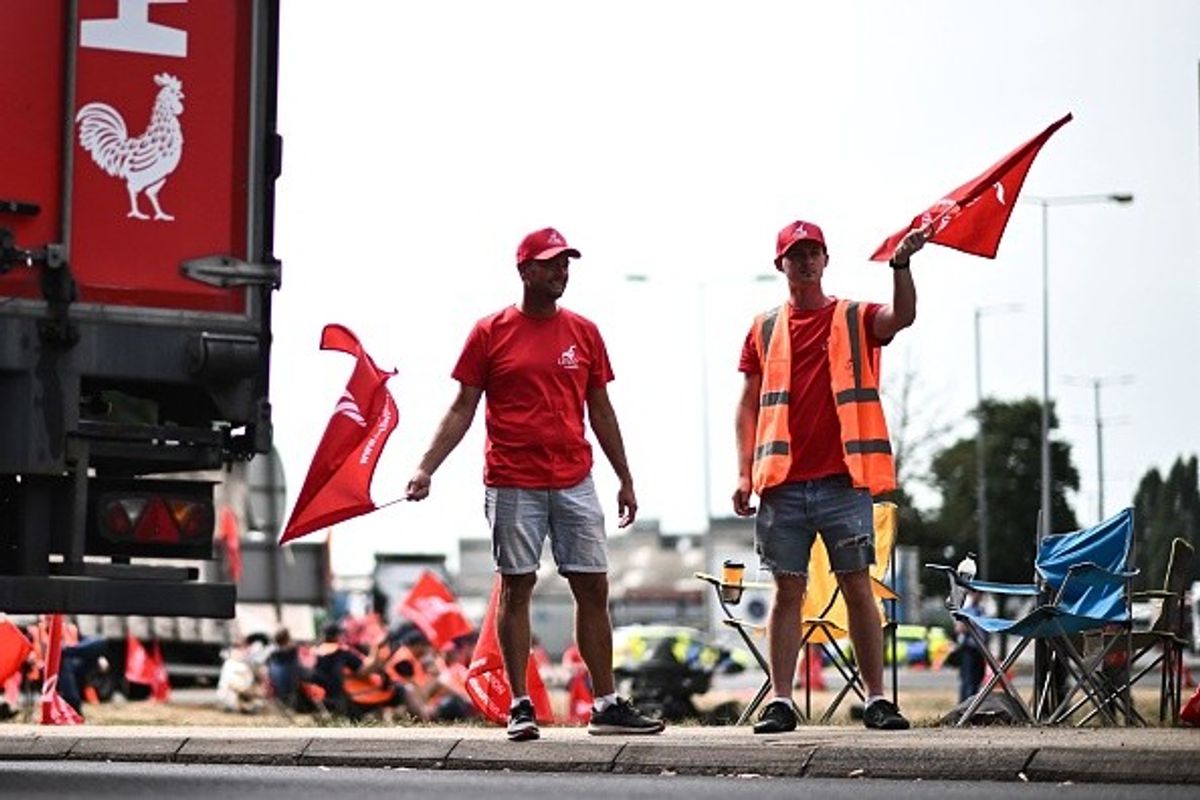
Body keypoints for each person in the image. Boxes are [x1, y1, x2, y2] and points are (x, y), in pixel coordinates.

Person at [406, 226, 664, 741]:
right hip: (513, 480)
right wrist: (426, 466)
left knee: (592, 586)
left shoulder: (585, 332)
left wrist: (625, 478)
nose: (561, 271)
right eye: (550, 263)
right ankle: (520, 705)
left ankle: (606, 704)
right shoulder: (489, 332)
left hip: (574, 478)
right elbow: (462, 407)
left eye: (566, 263)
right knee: (517, 585)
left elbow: (602, 410)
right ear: (524, 270)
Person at [732, 219, 927, 732]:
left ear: (825, 259)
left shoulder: (853, 317)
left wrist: (900, 266)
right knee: (787, 591)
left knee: (858, 585)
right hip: (783, 483)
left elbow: (901, 315)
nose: (805, 260)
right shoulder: (763, 327)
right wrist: (743, 474)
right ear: (781, 264)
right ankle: (780, 701)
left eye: (813, 251)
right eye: (795, 253)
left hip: (844, 480)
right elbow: (749, 405)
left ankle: (877, 699)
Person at [954, 590, 988, 703]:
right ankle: (964, 706)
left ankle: (973, 704)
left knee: (977, 680)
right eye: (975, 593)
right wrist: (970, 625)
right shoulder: (967, 611)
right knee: (968, 680)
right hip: (969, 649)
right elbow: (959, 629)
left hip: (980, 650)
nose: (978, 595)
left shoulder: (982, 611)